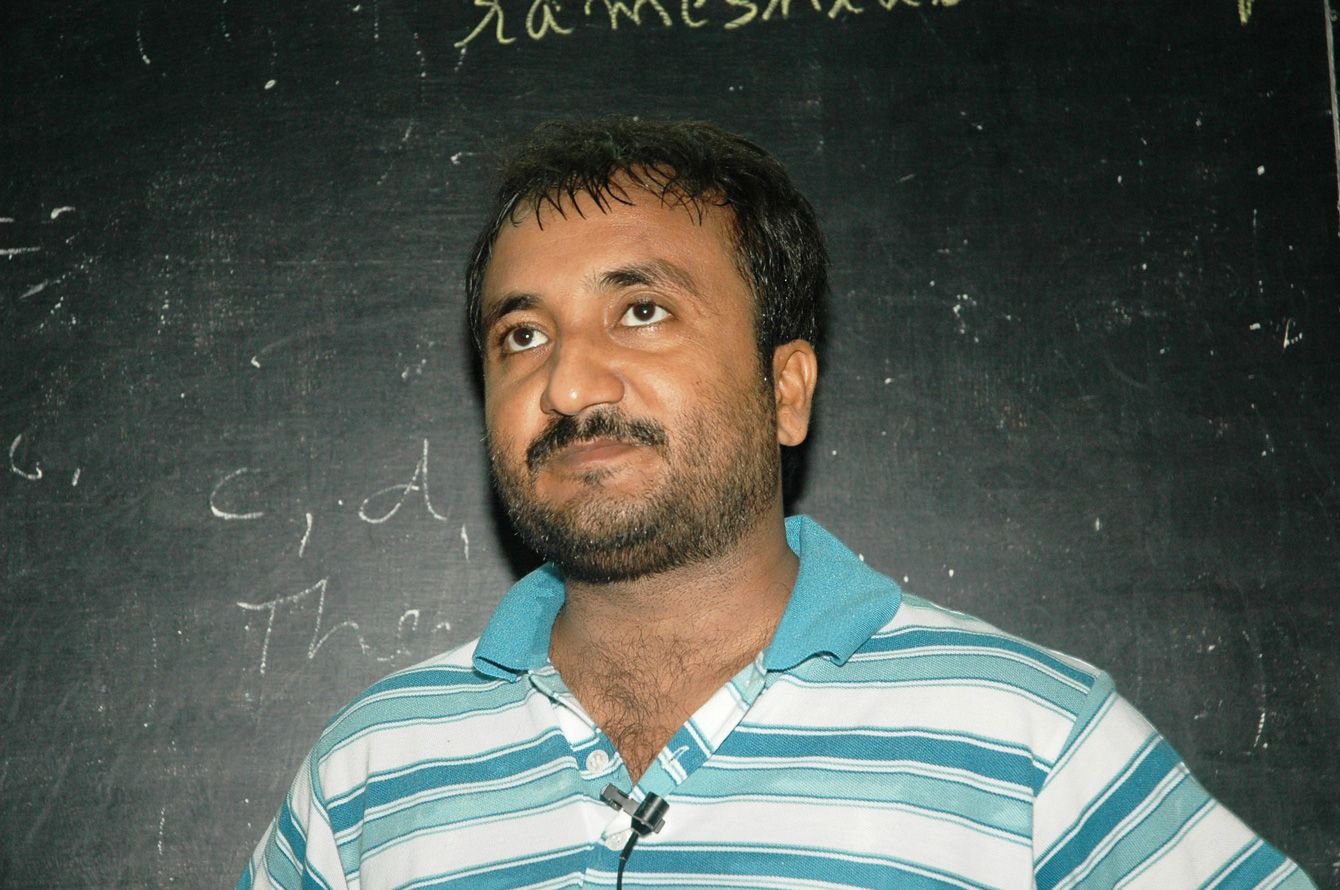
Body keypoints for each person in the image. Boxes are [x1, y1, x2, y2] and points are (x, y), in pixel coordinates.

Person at [238, 118, 1316, 890]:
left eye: (641, 310)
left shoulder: (1028, 739)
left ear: (785, 388)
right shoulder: (368, 772)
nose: (566, 384)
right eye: (521, 334)